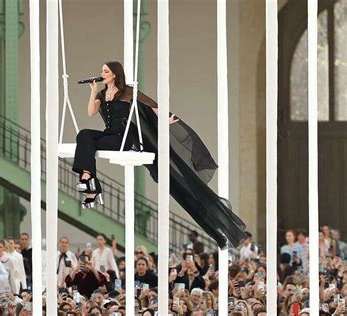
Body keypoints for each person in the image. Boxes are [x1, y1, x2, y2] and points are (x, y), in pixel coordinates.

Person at [73, 61, 246, 248]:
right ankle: (89, 178)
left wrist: (166, 119)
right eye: (102, 71)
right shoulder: (101, 94)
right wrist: (92, 91)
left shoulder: (128, 92)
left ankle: (90, 181)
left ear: (115, 74)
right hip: (109, 135)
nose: (102, 73)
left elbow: (152, 105)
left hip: (123, 137)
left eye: (106, 71)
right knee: (84, 135)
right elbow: (91, 112)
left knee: (86, 141)